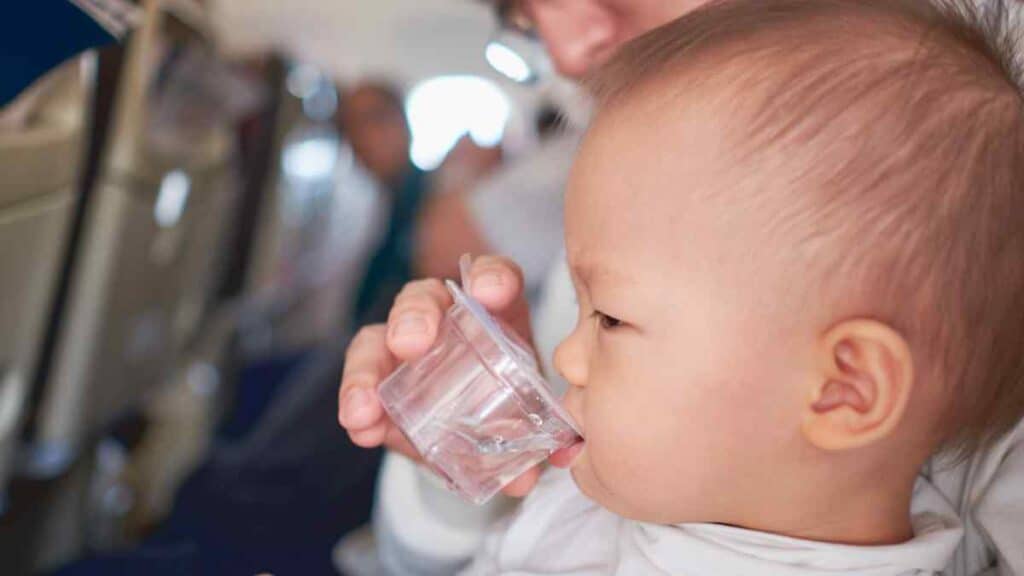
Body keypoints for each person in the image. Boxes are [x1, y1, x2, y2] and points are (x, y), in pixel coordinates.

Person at [338, 0, 1024, 574]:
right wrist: (469, 450)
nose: (566, 359)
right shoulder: (627, 475)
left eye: (607, 319)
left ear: (847, 387)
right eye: (523, 15)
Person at [340, 81, 431, 328]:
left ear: (403, 123)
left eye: (372, 120)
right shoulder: (386, 203)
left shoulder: (432, 203)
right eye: (348, 127)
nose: (357, 139)